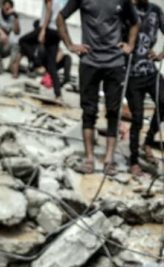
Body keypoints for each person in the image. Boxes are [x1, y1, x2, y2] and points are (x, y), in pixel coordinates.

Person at [57, 0, 139, 174]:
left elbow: (135, 22)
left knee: (113, 111)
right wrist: (70, 45)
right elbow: (60, 17)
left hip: (114, 63)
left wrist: (130, 46)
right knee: (89, 111)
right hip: (89, 61)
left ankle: (109, 160)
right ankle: (89, 159)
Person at [125, 0, 164, 177]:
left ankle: (148, 141)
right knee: (137, 117)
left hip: (150, 71)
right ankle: (133, 160)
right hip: (130, 74)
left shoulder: (156, 11)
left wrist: (161, 54)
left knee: (163, 102)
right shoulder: (125, 7)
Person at [18, 18, 71, 89]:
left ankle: (66, 80)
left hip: (49, 66)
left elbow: (60, 52)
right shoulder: (31, 44)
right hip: (38, 68)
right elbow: (31, 62)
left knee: (67, 57)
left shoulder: (49, 39)